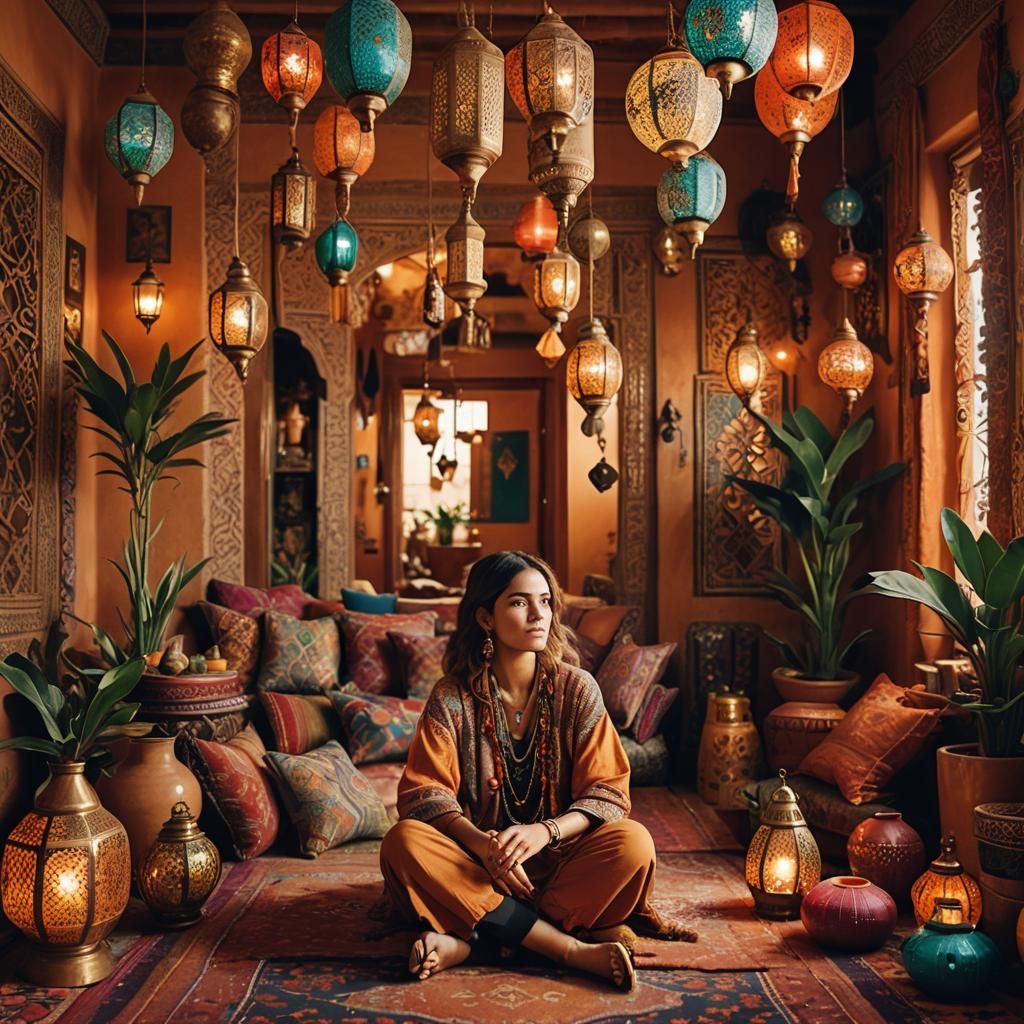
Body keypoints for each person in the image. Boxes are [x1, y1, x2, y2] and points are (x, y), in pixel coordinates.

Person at [379, 550, 696, 992]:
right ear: (486, 617)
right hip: (475, 870)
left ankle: (476, 942)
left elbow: (607, 792)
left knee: (634, 842)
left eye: (545, 601)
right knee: (404, 842)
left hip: (562, 865)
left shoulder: (577, 688)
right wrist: (484, 845)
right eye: (519, 602)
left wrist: (544, 832)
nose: (538, 615)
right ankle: (569, 949)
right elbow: (423, 795)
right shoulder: (452, 696)